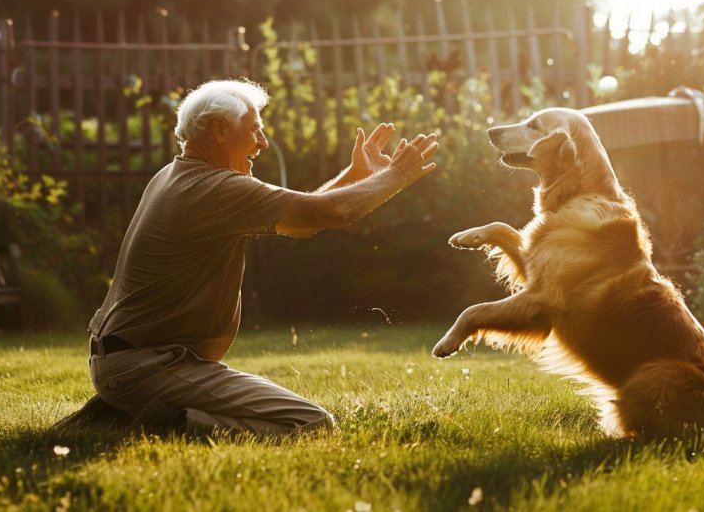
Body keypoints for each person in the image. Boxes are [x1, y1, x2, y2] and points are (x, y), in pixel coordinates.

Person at [71, 79, 438, 437]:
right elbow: (333, 212)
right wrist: (395, 176)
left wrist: (357, 176)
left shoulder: (175, 175)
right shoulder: (216, 189)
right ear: (218, 130)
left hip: (127, 361)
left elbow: (300, 223)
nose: (262, 143)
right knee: (312, 424)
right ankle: (166, 421)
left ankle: (122, 408)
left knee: (300, 420)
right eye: (255, 130)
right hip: (149, 365)